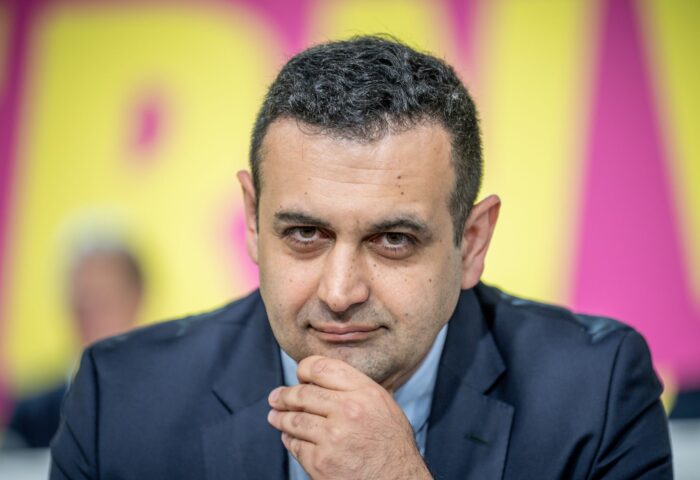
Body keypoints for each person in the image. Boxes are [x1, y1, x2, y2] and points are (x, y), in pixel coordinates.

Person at [49, 36, 672, 479]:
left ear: (472, 241)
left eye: (393, 240)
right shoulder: (121, 399)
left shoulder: (595, 393)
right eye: (304, 234)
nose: (340, 291)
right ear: (253, 221)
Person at [6, 241, 143, 448]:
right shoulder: (31, 415)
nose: (90, 316)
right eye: (81, 301)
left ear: (135, 301)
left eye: (102, 302)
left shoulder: (164, 405)